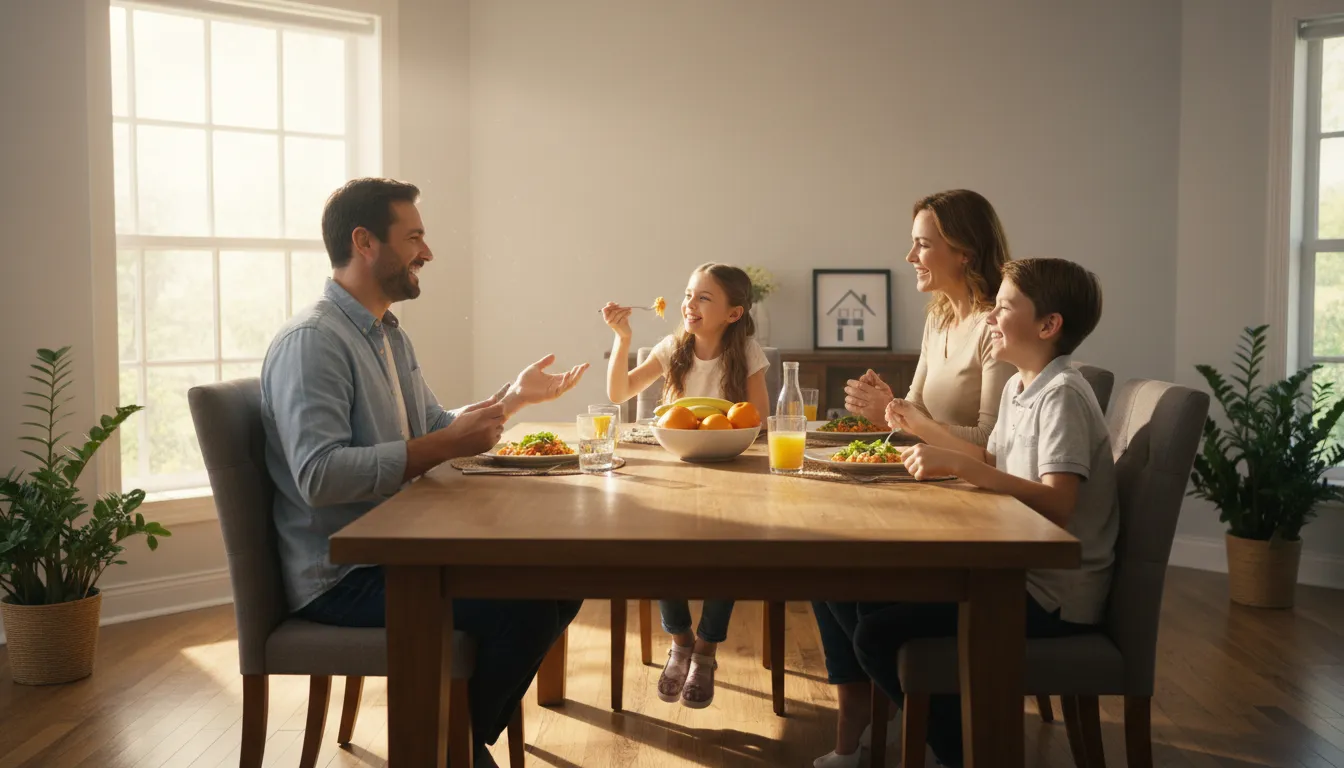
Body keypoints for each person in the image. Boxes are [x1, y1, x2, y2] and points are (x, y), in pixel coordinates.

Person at [261, 178, 589, 768]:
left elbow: (435, 424)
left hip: (399, 553)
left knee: (562, 579)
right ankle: (452, 747)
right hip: (343, 576)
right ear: (364, 242)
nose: (427, 253)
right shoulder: (314, 342)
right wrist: (440, 443)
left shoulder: (388, 334)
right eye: (413, 237)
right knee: (529, 605)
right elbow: (318, 475)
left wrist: (511, 401)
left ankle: (453, 740)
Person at [816, 258, 1118, 768]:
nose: (991, 318)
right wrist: (944, 451)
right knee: (856, 593)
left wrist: (962, 465)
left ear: (1048, 326)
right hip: (1014, 573)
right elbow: (992, 460)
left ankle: (957, 750)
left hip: (1048, 596)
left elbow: (1060, 505)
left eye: (1003, 307)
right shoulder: (1022, 387)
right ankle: (927, 726)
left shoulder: (1063, 395)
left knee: (875, 632)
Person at [813, 189, 1016, 761]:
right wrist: (889, 410)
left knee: (860, 601)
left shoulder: (993, 328)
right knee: (823, 569)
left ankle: (919, 728)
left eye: (922, 244)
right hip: (932, 492)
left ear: (964, 251)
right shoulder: (940, 320)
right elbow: (915, 420)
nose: (911, 257)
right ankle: (878, 711)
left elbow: (990, 444)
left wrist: (901, 416)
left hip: (972, 509)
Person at [600, 262, 770, 709]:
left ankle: (707, 649)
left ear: (732, 314)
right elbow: (619, 393)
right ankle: (680, 639)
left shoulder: (747, 351)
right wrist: (623, 341)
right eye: (688, 294)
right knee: (657, 547)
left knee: (729, 550)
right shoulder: (672, 346)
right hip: (672, 473)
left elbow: (762, 419)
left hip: (730, 471)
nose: (689, 305)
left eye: (703, 298)